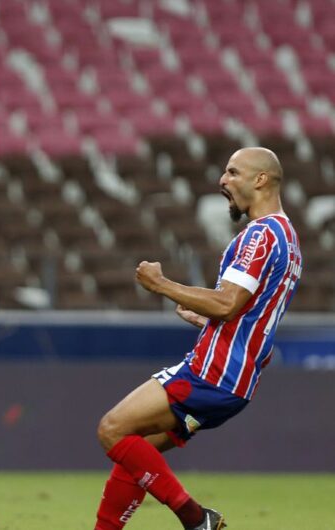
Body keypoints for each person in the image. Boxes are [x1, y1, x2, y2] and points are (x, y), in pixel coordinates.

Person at [93, 147, 301, 530]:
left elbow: (226, 303)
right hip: (235, 382)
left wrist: (162, 284)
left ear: (260, 180)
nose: (223, 180)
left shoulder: (262, 233)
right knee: (138, 454)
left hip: (213, 373)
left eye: (233, 172)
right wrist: (206, 320)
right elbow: (248, 317)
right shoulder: (288, 238)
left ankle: (195, 518)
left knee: (112, 429)